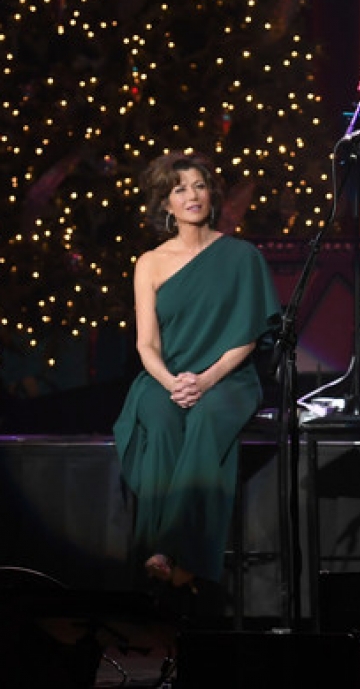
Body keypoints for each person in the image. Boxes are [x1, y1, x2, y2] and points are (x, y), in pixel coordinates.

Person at [113, 151, 280, 597]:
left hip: (228, 377)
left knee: (206, 419)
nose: (192, 195)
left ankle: (172, 552)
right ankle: (163, 565)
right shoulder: (149, 262)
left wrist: (205, 380)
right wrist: (172, 383)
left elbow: (249, 335)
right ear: (165, 203)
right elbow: (146, 344)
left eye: (199, 185)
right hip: (164, 377)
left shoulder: (241, 255)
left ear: (213, 193)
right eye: (179, 188)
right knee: (161, 418)